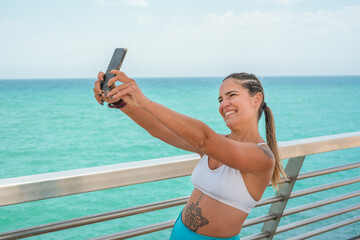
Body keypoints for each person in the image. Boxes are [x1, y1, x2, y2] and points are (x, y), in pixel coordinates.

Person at [93, 71, 287, 240]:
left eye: (232, 95)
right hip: (179, 232)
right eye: (220, 99)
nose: (224, 104)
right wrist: (120, 100)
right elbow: (160, 129)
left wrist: (145, 102)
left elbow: (204, 138)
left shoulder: (262, 156)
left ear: (256, 99)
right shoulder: (216, 144)